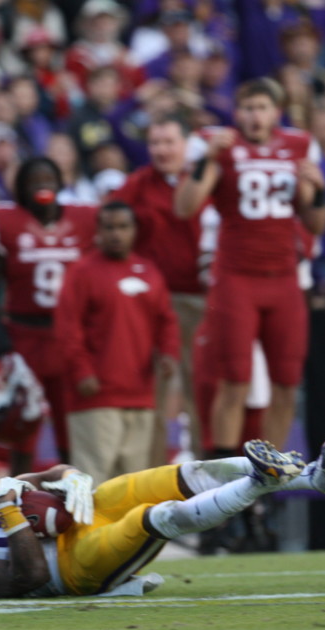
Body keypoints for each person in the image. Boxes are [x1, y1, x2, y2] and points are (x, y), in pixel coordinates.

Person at [0, 438, 325, 599]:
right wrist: (12, 509)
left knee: (180, 475)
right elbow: (27, 575)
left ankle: (314, 477)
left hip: (85, 510)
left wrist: (70, 476)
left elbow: (42, 476)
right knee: (156, 516)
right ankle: (262, 481)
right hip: (73, 564)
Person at [174, 77, 325, 465]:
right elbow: (185, 207)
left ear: (276, 112)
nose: (254, 116)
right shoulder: (222, 147)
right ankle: (225, 477)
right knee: (235, 380)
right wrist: (206, 160)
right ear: (237, 111)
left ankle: (269, 481)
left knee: (287, 383)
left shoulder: (297, 147)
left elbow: (317, 224)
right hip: (236, 278)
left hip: (284, 280)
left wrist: (320, 190)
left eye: (262, 107)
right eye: (247, 107)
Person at [0, 157, 100, 471]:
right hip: (24, 335)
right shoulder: (4, 221)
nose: (42, 186)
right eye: (34, 180)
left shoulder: (85, 218)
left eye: (48, 179)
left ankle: (72, 499)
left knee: (70, 427)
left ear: (60, 184)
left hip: (68, 336)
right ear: (21, 188)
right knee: (23, 426)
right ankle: (20, 502)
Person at [110, 115, 212, 465]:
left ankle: (206, 472)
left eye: (169, 142)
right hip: (151, 302)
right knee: (149, 392)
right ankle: (148, 475)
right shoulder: (137, 185)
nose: (162, 150)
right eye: (155, 143)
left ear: (187, 144)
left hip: (200, 300)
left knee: (201, 388)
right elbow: (105, 222)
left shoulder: (207, 180)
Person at [55, 202, 180, 484]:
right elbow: (67, 329)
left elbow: (166, 320)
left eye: (123, 227)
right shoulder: (82, 272)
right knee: (94, 481)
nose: (116, 234)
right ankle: (88, 530)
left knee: (131, 483)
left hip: (140, 395)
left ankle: (124, 531)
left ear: (134, 231)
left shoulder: (148, 271)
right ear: (98, 231)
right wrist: (81, 372)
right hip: (95, 396)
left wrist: (169, 354)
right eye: (109, 227)